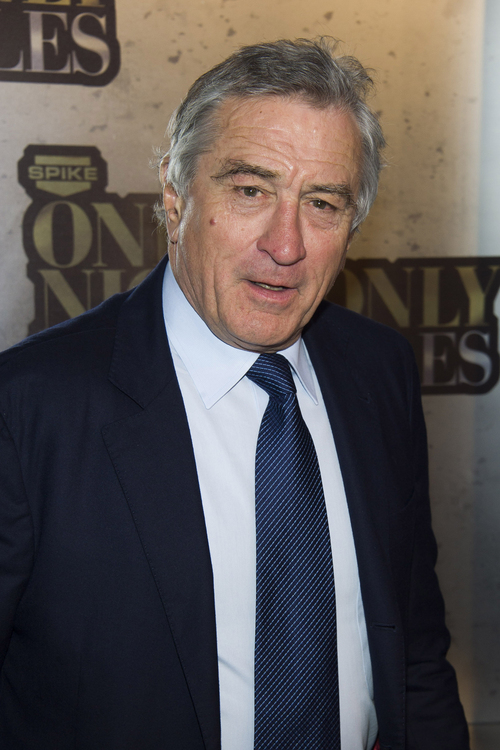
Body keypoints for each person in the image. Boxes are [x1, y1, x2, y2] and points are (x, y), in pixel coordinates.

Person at [0, 38, 469, 750]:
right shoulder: (30, 406)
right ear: (174, 195)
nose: (286, 244)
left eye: (322, 202)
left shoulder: (380, 372)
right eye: (251, 190)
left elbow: (416, 649)